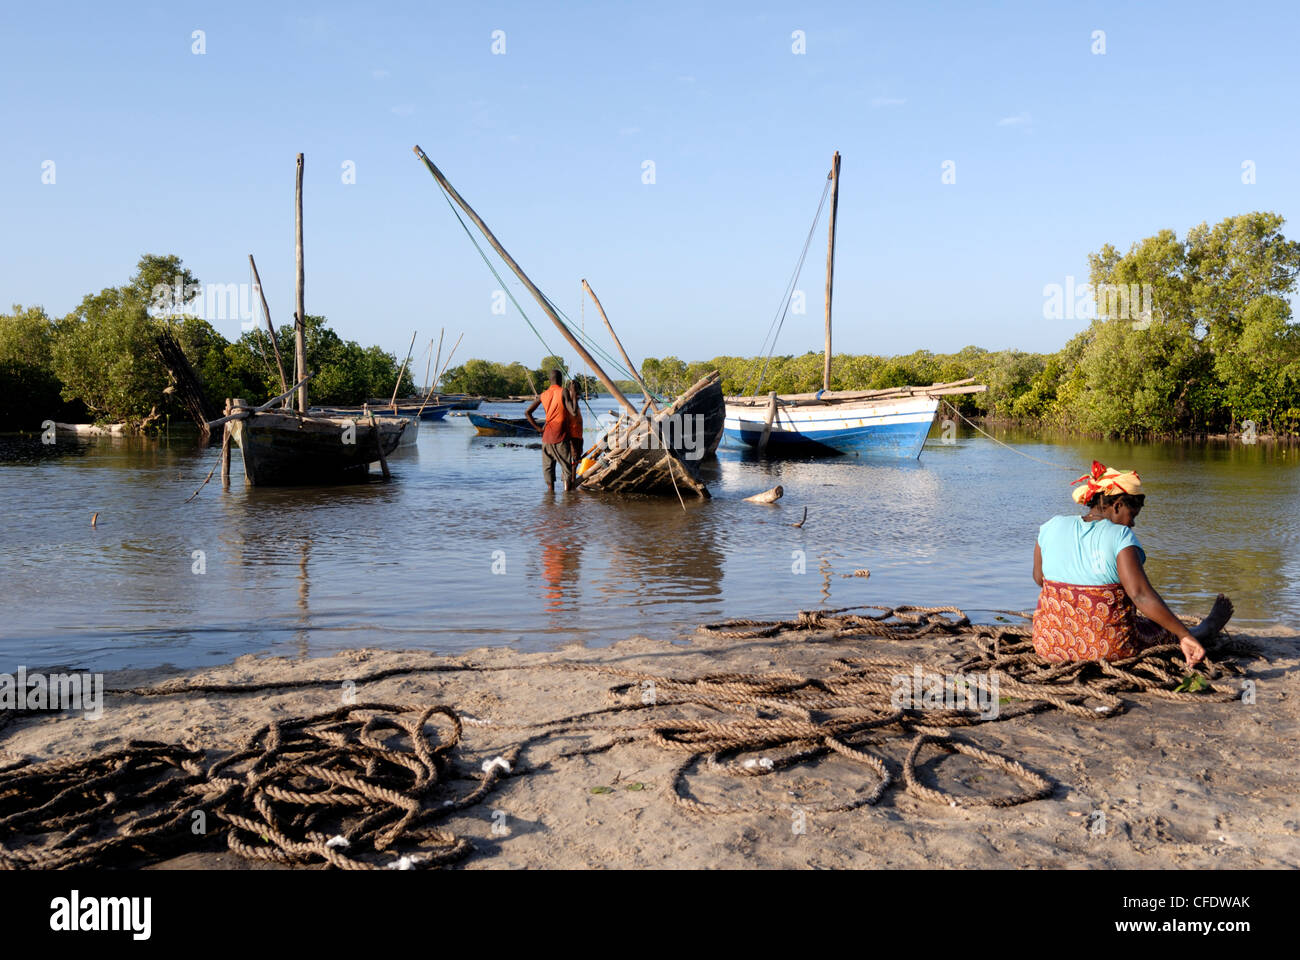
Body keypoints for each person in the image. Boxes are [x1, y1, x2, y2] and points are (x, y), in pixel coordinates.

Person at [1031, 460, 1233, 667]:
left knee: (1142, 621)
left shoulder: (1051, 526)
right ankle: (1203, 631)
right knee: (1161, 629)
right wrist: (1182, 633)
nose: (1133, 523)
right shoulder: (1120, 536)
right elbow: (1140, 595)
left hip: (1048, 642)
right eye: (1132, 516)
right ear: (1117, 505)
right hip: (1107, 648)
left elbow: (1040, 579)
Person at [524, 369, 573, 490]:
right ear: (560, 380)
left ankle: (550, 499)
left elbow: (527, 412)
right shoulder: (563, 391)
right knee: (566, 469)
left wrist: (538, 429)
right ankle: (568, 500)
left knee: (548, 470)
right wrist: (574, 395)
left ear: (550, 380)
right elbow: (573, 411)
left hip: (546, 438)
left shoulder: (543, 395)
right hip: (560, 436)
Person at [563, 381, 584, 478]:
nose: (577, 395)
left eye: (578, 392)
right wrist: (574, 395)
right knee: (572, 461)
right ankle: (570, 483)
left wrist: (575, 395)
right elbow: (574, 412)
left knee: (576, 461)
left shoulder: (575, 403)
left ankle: (572, 484)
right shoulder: (569, 404)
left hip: (578, 437)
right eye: (574, 392)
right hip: (572, 437)